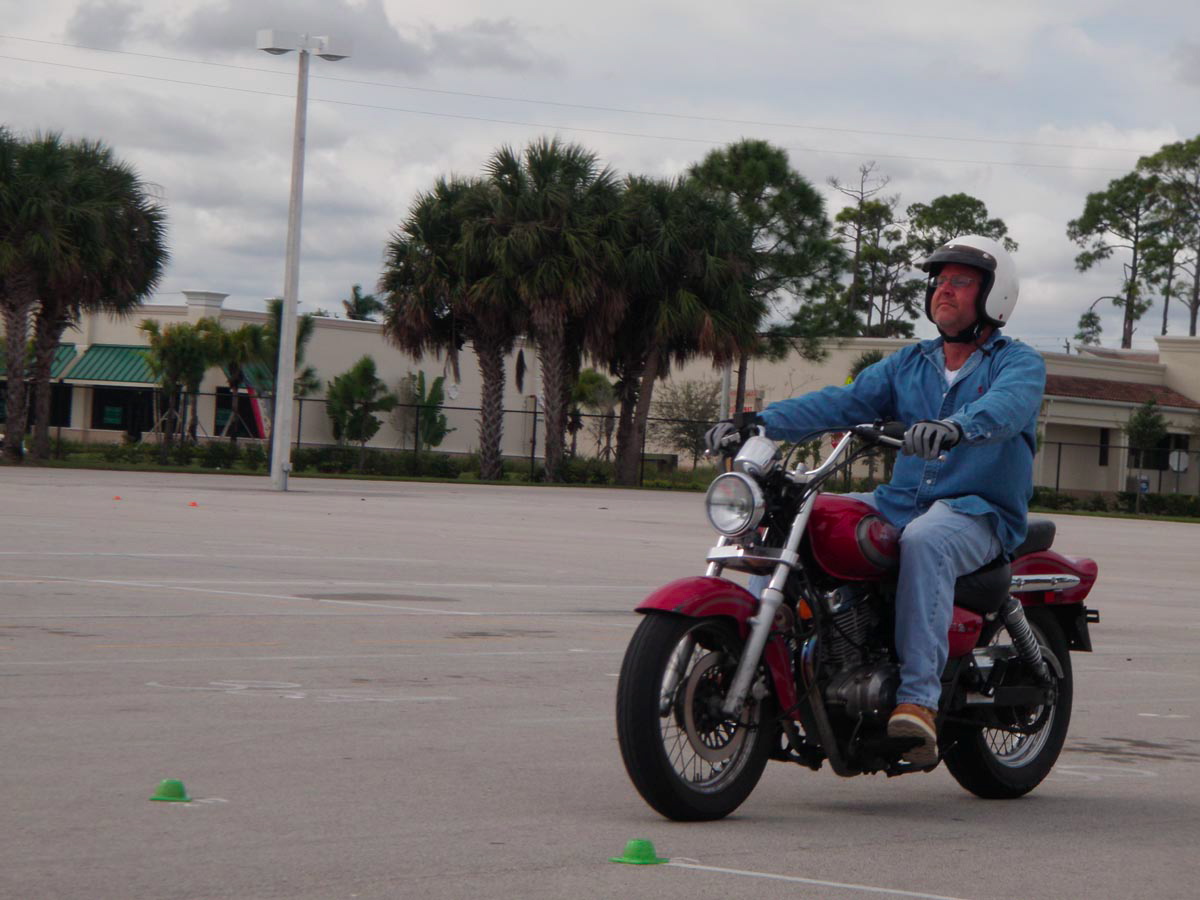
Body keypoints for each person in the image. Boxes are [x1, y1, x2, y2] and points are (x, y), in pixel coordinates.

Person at [704, 234, 1045, 768]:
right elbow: (842, 401)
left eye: (960, 282)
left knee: (926, 540)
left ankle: (918, 700)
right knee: (802, 516)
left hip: (977, 512)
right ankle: (768, 663)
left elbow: (1006, 407)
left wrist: (955, 427)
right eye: (939, 281)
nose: (944, 290)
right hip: (900, 500)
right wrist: (759, 422)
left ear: (993, 295)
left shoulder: (1017, 363)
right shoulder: (910, 363)